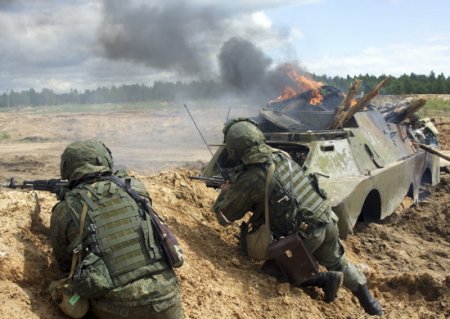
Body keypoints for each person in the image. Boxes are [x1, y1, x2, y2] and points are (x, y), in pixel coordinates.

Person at [213, 119, 383, 316]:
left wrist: (225, 192)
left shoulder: (252, 177)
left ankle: (324, 279)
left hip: (306, 236)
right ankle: (371, 305)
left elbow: (224, 217)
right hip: (326, 219)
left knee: (272, 271)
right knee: (340, 262)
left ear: (235, 149)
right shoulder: (280, 156)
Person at [49, 139, 184, 319]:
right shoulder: (134, 188)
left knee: (63, 292)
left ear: (67, 168)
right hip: (167, 298)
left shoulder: (65, 209)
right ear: (104, 159)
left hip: (117, 307)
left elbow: (65, 264)